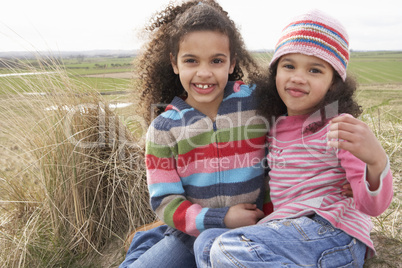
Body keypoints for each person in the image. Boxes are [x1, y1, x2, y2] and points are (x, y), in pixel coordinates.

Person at [194, 9, 393, 267]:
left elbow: (372, 206)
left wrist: (376, 162)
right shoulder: (274, 126)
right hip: (287, 231)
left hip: (332, 231)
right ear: (275, 72)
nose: (298, 77)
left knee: (224, 248)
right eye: (289, 66)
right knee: (206, 242)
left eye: (315, 70)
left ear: (334, 83)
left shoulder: (339, 127)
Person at [119, 1, 272, 267]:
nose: (204, 72)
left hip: (255, 229)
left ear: (231, 62)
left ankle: (150, 237)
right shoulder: (164, 129)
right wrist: (220, 219)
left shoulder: (258, 105)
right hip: (189, 237)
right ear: (175, 63)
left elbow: (288, 153)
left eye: (216, 60)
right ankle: (148, 241)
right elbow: (166, 202)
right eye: (191, 60)